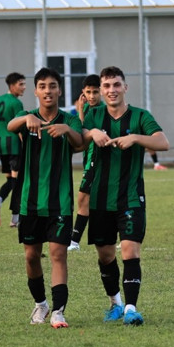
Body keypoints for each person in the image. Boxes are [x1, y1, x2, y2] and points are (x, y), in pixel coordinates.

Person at [81, 66, 169, 326]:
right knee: (106, 256)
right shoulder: (93, 115)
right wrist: (91, 133)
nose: (112, 90)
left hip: (130, 198)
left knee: (130, 251)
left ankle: (131, 308)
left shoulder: (140, 116)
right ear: (101, 90)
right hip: (100, 199)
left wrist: (135, 138)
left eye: (116, 85)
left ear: (125, 87)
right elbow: (77, 140)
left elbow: (163, 142)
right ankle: (115, 303)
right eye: (107, 86)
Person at [8, 68, 84, 329]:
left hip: (59, 201)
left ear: (59, 90)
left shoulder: (69, 120)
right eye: (42, 86)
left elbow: (80, 141)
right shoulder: (27, 116)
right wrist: (26, 118)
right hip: (30, 202)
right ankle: (41, 304)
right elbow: (10, 125)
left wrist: (66, 130)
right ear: (36, 91)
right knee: (31, 256)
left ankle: (59, 312)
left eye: (52, 86)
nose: (48, 91)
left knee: (58, 254)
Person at [0, 72, 27, 227]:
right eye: (21, 84)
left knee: (11, 180)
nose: (24, 87)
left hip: (1, 145)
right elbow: (19, 128)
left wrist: (2, 134)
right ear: (12, 86)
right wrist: (26, 144)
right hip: (14, 146)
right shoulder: (16, 103)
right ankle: (15, 219)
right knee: (18, 182)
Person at [69, 74, 103, 251]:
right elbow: (79, 132)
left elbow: (83, 135)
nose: (91, 96)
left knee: (84, 199)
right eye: (88, 92)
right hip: (89, 159)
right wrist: (81, 110)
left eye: (95, 92)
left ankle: (74, 241)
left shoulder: (102, 110)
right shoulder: (88, 108)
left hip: (96, 161)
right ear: (83, 92)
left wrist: (80, 111)